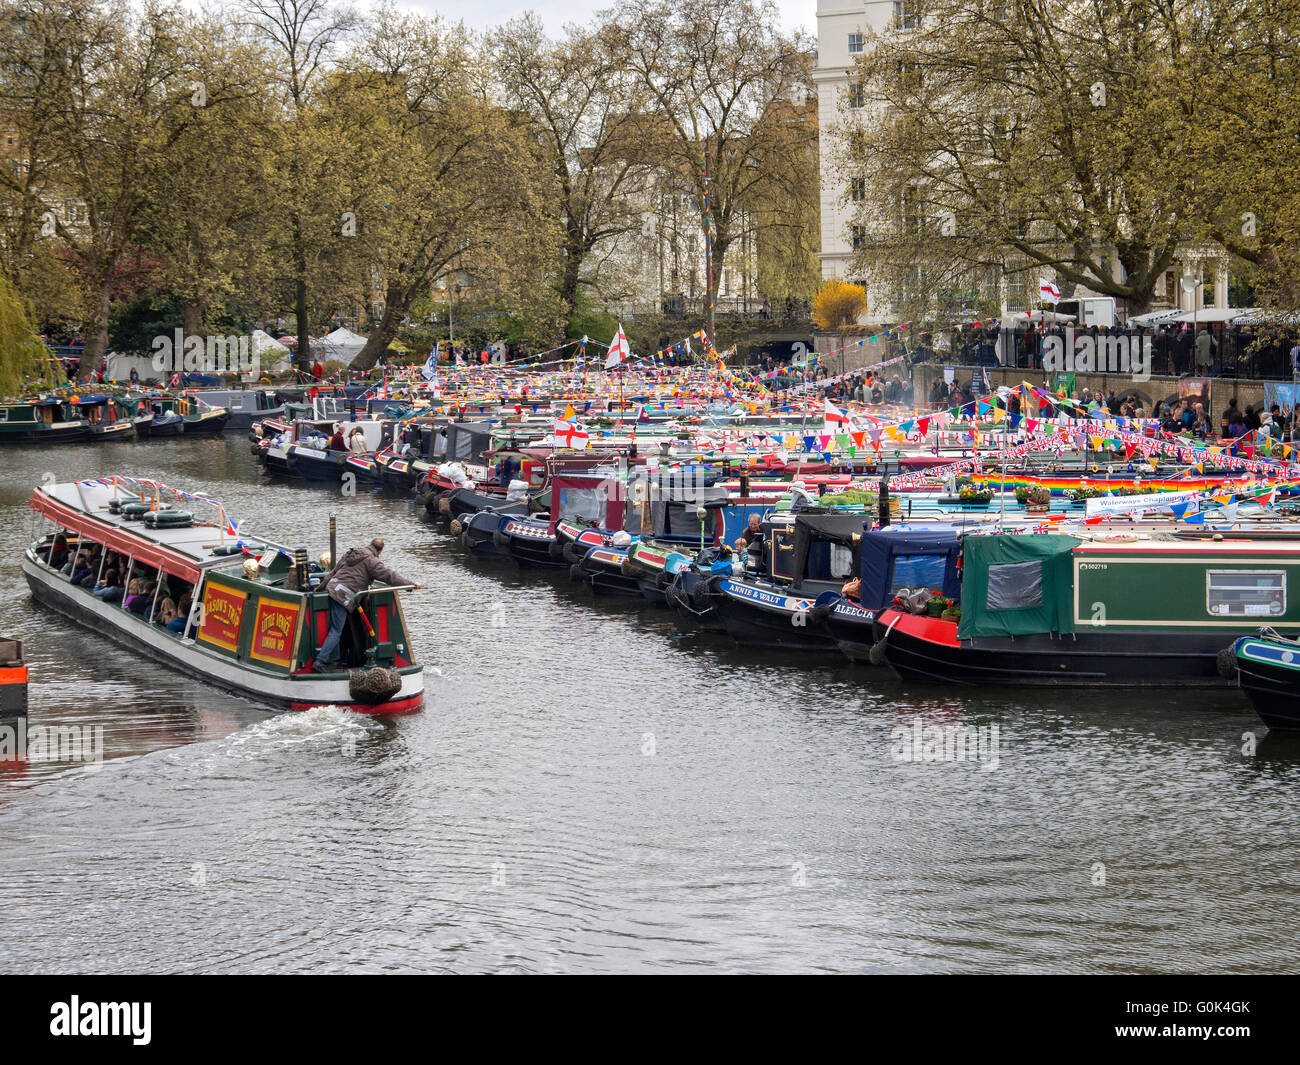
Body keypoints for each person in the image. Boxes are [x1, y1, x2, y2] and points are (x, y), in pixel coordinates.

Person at [313, 538, 421, 672]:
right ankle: (320, 661)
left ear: (370, 545)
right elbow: (390, 576)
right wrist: (410, 585)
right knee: (336, 630)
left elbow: (333, 572)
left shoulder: (350, 554)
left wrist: (320, 588)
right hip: (344, 596)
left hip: (332, 589)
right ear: (380, 551)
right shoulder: (372, 562)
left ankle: (336, 661)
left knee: (335, 628)